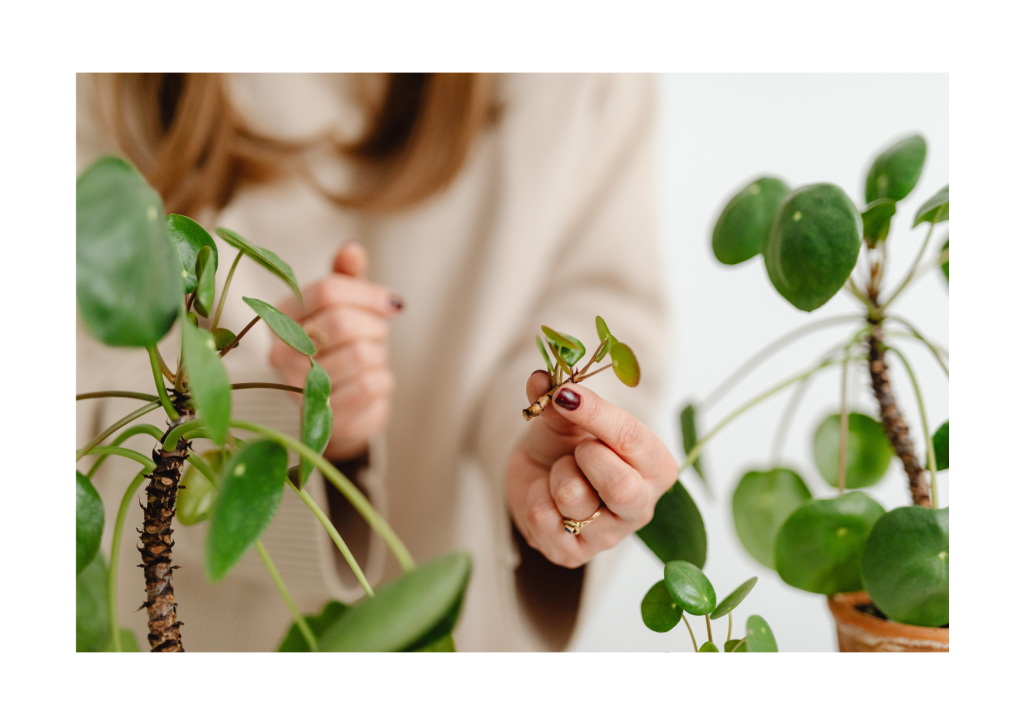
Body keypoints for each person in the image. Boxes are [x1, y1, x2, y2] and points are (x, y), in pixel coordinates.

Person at [76, 73, 676, 651]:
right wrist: (289, 426)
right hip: (195, 628)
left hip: (460, 607)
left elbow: (599, 300)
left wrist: (563, 454)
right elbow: (85, 392)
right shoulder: (101, 76)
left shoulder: (582, 71)